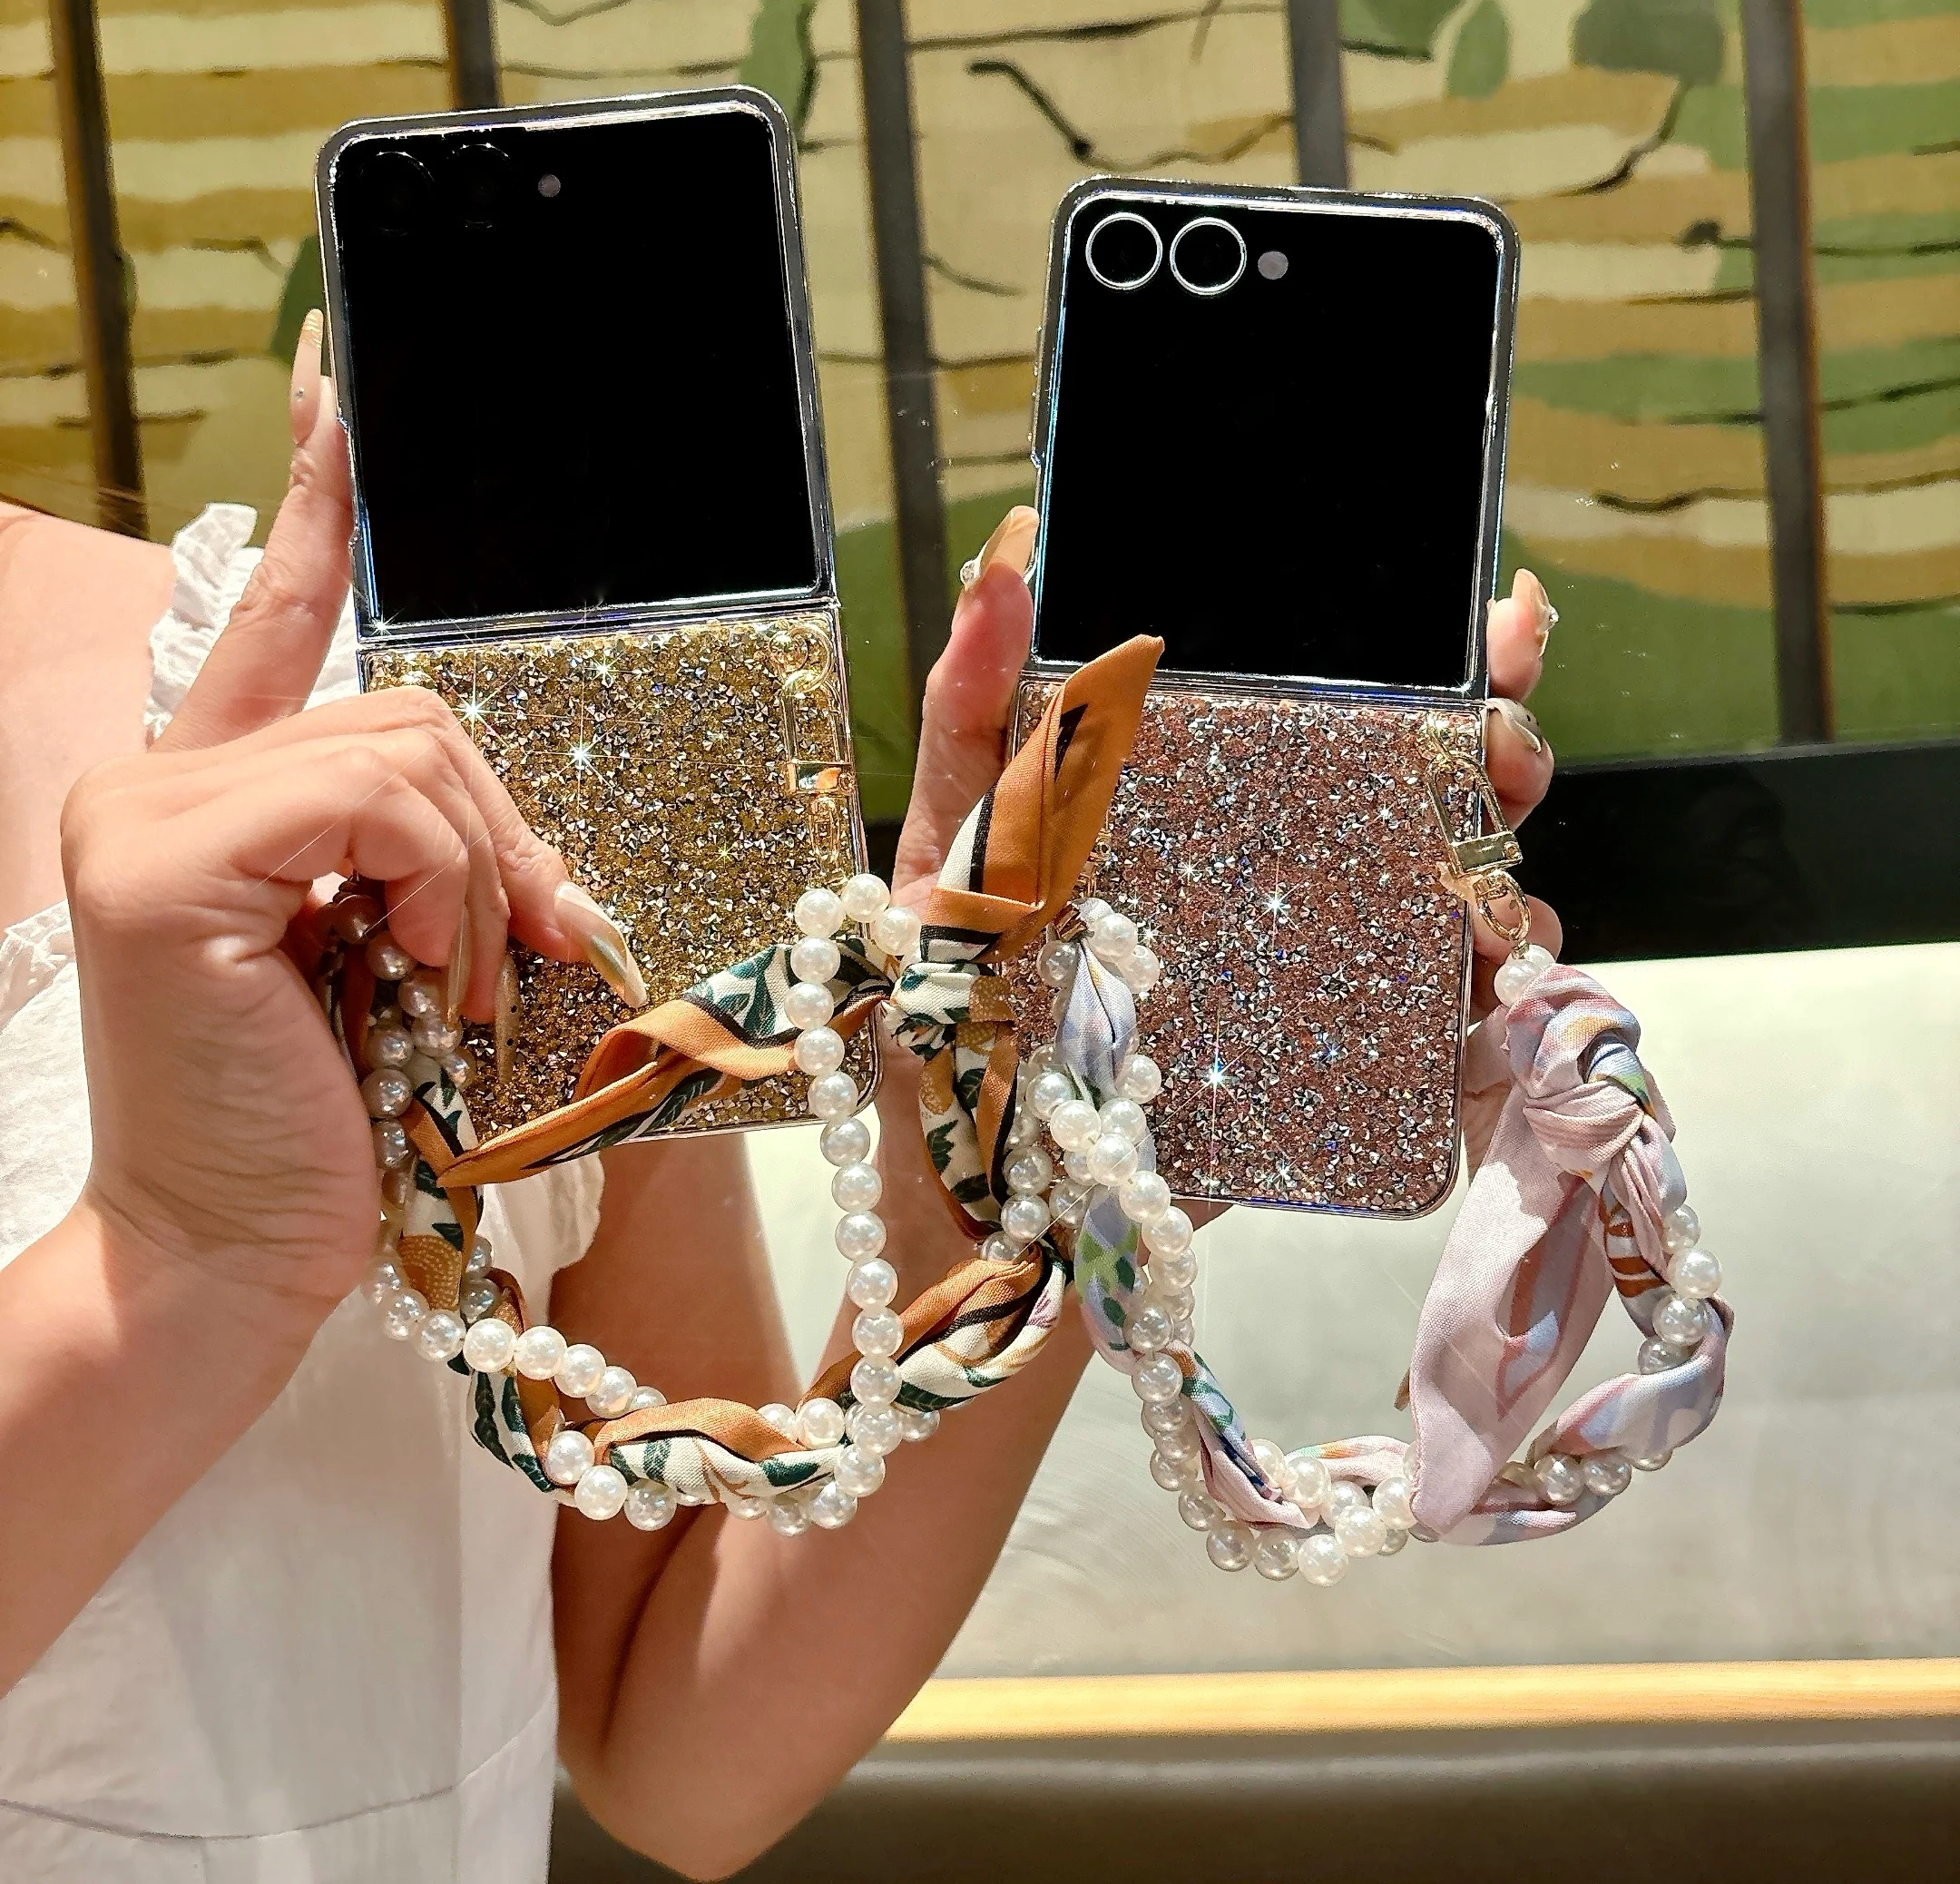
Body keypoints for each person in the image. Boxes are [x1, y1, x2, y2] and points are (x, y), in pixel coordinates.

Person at [0, 316, 1560, 1880]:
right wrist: (183, 1262)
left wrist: (999, 1198)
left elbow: (675, 1744)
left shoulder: (393, 721)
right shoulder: (341, 745)